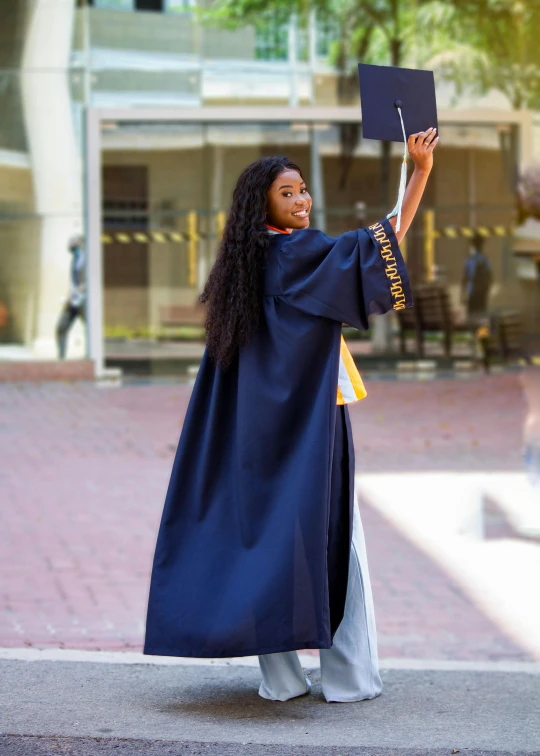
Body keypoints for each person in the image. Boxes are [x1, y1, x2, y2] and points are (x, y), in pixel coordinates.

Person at [144, 128, 439, 702]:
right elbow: (383, 241)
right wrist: (420, 170)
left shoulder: (245, 262)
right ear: (265, 204)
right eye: (288, 193)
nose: (302, 201)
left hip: (256, 431)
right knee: (338, 538)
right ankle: (349, 679)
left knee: (268, 540)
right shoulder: (294, 253)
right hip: (307, 426)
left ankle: (280, 680)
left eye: (302, 190)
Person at [56, 234, 86, 360]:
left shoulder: (87, 259)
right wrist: (70, 294)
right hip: (73, 301)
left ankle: (92, 356)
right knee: (61, 328)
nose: (71, 246)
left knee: (91, 329)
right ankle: (61, 356)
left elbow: (89, 280)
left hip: (85, 301)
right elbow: (74, 282)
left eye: (74, 243)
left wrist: (78, 290)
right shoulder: (75, 258)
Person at [461, 232, 493, 320]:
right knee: (482, 317)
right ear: (482, 244)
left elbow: (465, 278)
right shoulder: (486, 260)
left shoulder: (469, 260)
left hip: (472, 293)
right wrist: (486, 290)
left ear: (473, 245)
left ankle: (473, 333)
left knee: (471, 317)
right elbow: (490, 277)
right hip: (482, 293)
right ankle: (482, 333)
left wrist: (462, 295)